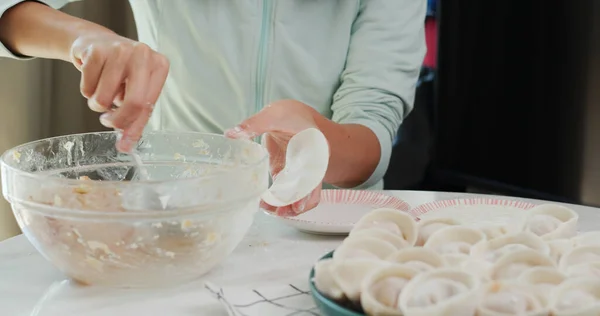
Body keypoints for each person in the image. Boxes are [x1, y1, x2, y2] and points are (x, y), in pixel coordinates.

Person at [0, 0, 426, 216]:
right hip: (177, 211)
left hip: (334, 230)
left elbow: (373, 124)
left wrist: (317, 142)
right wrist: (83, 39)